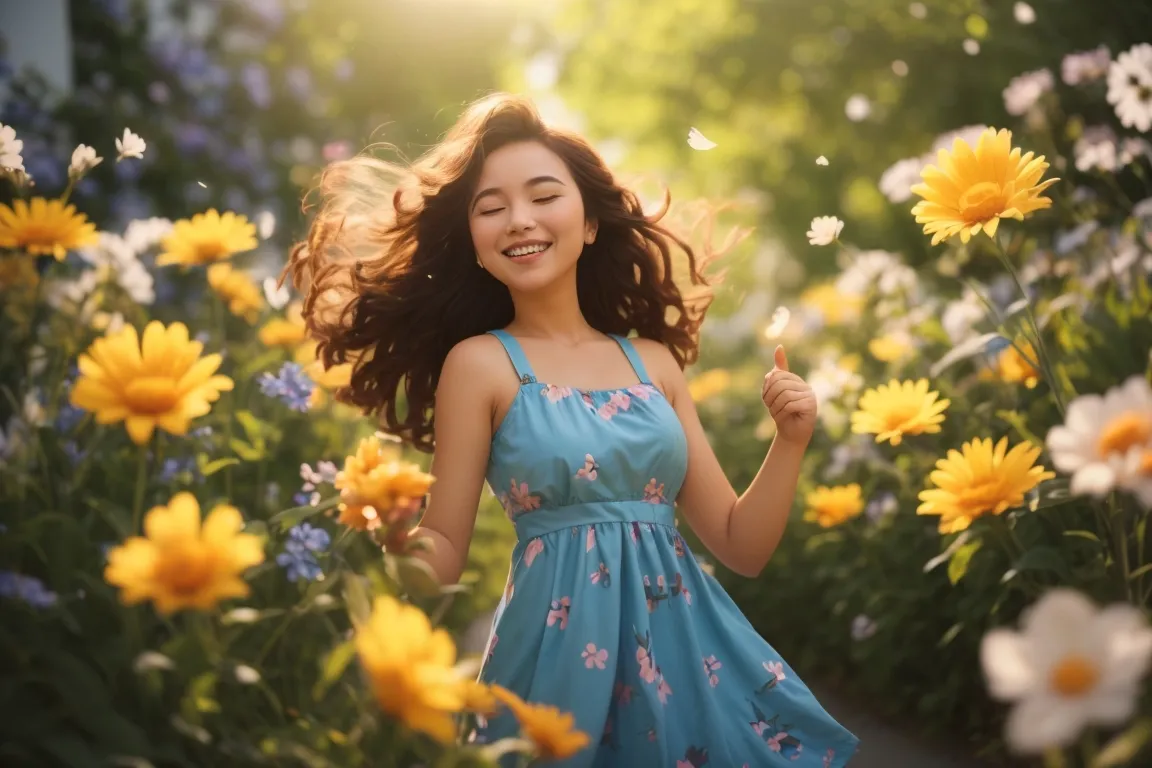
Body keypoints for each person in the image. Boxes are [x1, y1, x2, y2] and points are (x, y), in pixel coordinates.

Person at [290, 93, 859, 766]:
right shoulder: (480, 365)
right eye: (491, 207)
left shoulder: (652, 363)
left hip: (688, 657)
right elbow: (444, 541)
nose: (519, 220)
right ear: (472, 242)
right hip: (557, 664)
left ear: (589, 222)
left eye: (542, 196)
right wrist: (390, 538)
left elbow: (742, 545)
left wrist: (789, 441)